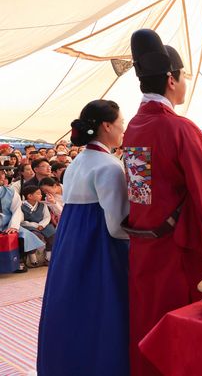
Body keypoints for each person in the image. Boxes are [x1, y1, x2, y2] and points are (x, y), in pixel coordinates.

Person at [122, 29, 202, 375]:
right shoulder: (180, 128)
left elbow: (141, 192)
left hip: (144, 248)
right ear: (171, 80)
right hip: (178, 250)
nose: (185, 82)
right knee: (184, 327)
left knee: (149, 321)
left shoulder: (134, 127)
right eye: (184, 76)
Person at [37, 99, 130, 375]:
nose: (123, 129)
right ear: (107, 126)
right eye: (121, 124)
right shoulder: (110, 166)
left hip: (72, 243)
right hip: (100, 247)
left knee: (73, 309)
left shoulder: (77, 163)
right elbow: (116, 226)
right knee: (104, 312)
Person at [0, 171, 45, 273]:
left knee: (23, 236)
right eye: (1, 178)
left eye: (3, 178)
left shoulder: (11, 192)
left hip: (7, 223)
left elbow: (17, 210)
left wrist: (14, 226)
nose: (3, 180)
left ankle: (18, 262)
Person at [20, 185, 56, 263]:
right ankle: (32, 258)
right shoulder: (21, 205)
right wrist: (36, 225)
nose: (41, 195)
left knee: (52, 234)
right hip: (29, 227)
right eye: (38, 193)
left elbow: (47, 217)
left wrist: (42, 225)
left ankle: (48, 255)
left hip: (43, 225)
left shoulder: (43, 205)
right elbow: (22, 221)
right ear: (29, 196)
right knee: (34, 236)